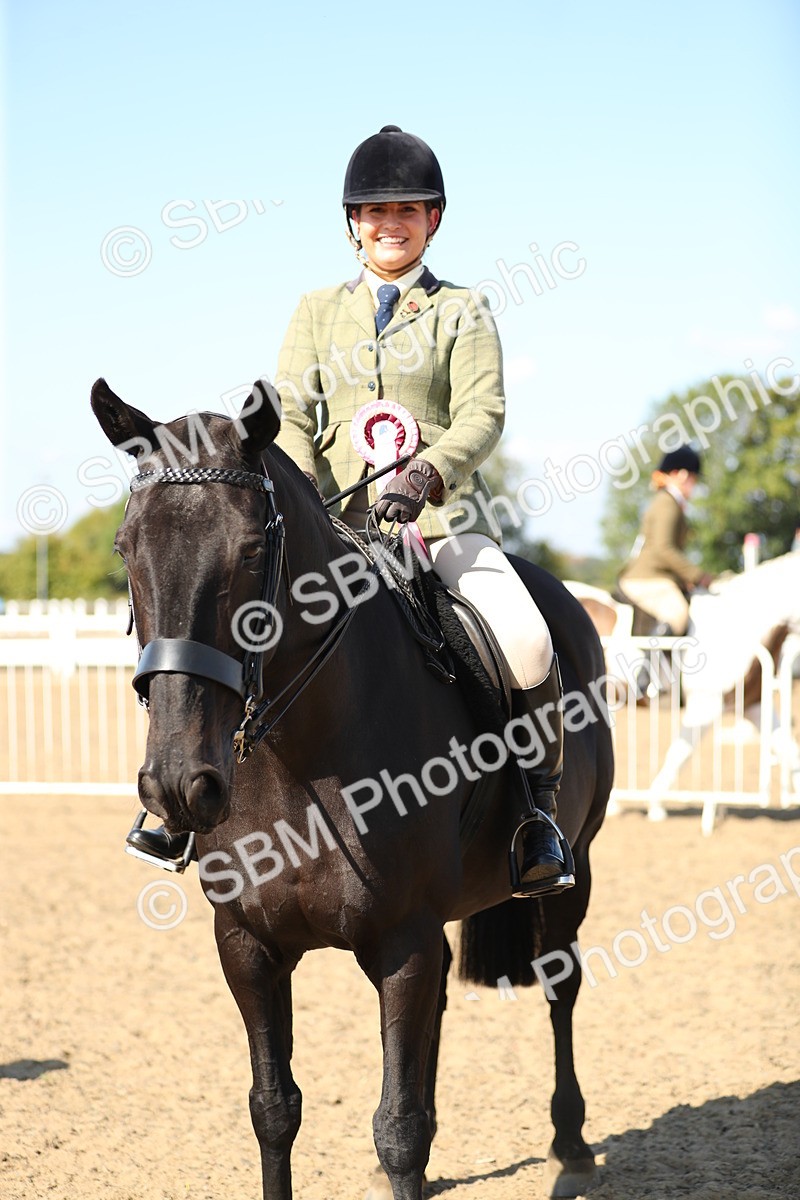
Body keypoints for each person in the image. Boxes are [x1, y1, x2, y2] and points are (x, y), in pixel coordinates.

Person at [127, 125, 573, 899]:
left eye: (407, 208)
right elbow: (290, 411)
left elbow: (483, 412)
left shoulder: (463, 310)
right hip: (327, 531)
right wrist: (300, 491)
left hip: (434, 529)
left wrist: (427, 470)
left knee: (528, 642)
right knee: (205, 624)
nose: (389, 222)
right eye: (373, 211)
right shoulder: (313, 310)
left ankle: (537, 814)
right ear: (351, 224)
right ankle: (181, 811)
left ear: (434, 219)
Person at [618, 445, 713, 635]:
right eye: (694, 479)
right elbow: (664, 548)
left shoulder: (668, 501)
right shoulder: (667, 503)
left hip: (656, 576)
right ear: (683, 475)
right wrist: (697, 575)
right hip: (648, 578)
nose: (694, 486)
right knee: (677, 613)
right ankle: (649, 664)